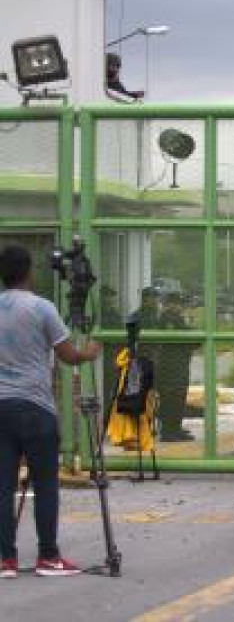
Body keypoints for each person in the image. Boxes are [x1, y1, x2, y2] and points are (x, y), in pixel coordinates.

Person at [0, 245, 101, 577]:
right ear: (29, 271)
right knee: (45, 483)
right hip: (36, 406)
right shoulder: (42, 308)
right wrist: (88, 353)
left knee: (3, 485)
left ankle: (6, 559)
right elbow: (67, 355)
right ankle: (48, 556)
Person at [155, 293, 197, 442]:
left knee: (179, 398)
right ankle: (168, 431)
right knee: (169, 399)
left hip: (179, 365)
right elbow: (182, 337)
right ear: (170, 304)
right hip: (169, 366)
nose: (180, 307)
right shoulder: (167, 319)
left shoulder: (178, 319)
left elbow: (191, 337)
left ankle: (176, 428)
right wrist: (190, 333)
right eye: (177, 304)